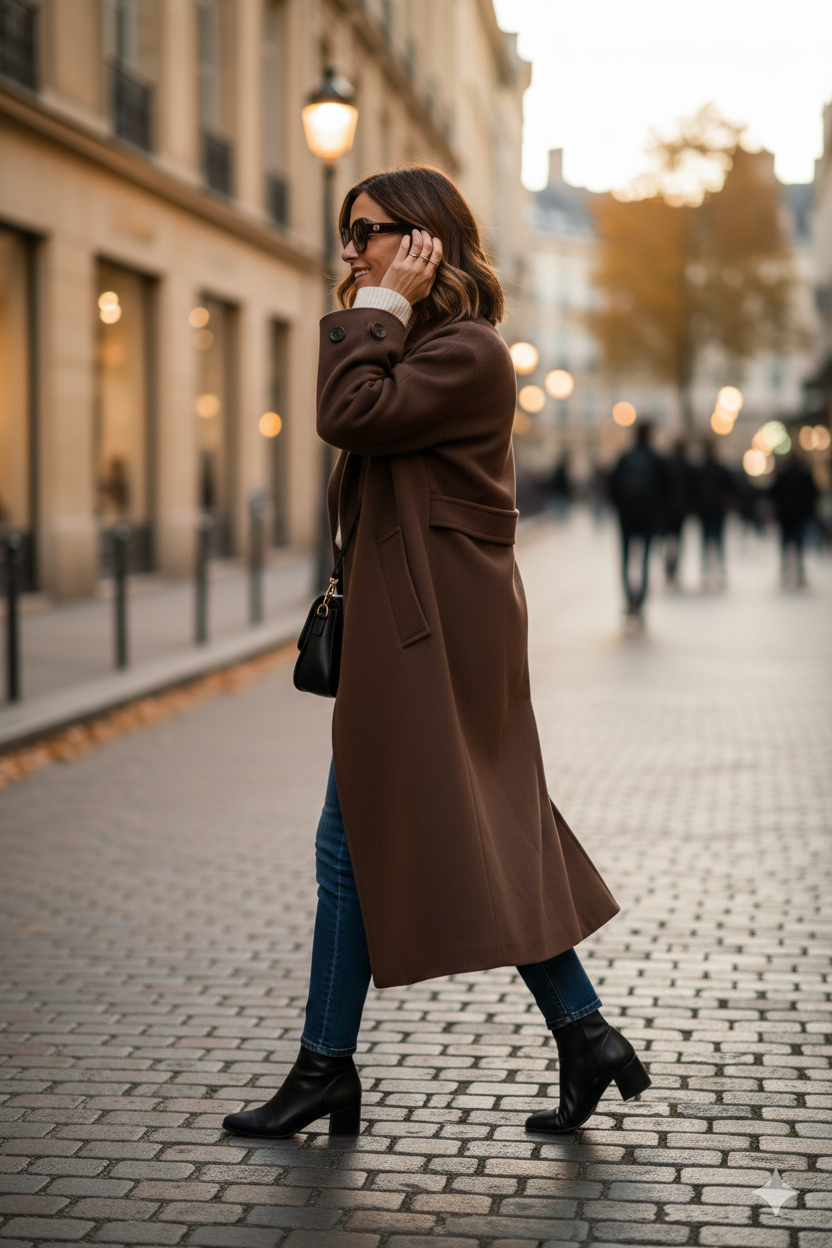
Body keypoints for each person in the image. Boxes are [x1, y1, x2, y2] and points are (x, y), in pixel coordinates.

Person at [220, 166, 649, 1142]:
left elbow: (349, 415)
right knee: (455, 830)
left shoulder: (467, 353)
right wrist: (382, 314)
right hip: (419, 625)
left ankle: (328, 1066)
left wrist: (378, 308)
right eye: (348, 235)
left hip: (436, 633)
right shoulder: (424, 343)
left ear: (422, 241)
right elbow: (361, 418)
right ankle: (582, 1035)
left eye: (366, 233)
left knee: (371, 839)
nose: (349, 253)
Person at [608, 421, 668, 626]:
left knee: (625, 559)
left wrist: (620, 508)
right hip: (649, 517)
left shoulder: (625, 458)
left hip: (626, 516)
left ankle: (629, 600)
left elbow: (612, 487)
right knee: (645, 560)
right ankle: (641, 601)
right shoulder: (657, 459)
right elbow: (666, 490)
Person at [770, 446, 818, 587]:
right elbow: (813, 494)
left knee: (786, 544)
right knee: (799, 544)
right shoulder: (805, 473)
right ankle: (799, 572)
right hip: (799, 515)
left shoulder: (783, 473)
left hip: (786, 515)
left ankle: (785, 570)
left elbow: (774, 493)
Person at [691, 439, 736, 589]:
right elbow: (732, 488)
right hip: (717, 511)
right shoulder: (720, 469)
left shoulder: (700, 469)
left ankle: (706, 573)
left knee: (705, 542)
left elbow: (694, 490)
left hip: (705, 511)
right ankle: (720, 572)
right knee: (719, 542)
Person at [662, 439, 692, 588]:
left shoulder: (667, 465)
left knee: (667, 540)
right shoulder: (686, 465)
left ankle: (668, 569)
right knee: (678, 540)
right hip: (680, 509)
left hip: (667, 509)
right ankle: (674, 569)